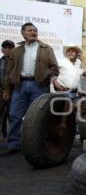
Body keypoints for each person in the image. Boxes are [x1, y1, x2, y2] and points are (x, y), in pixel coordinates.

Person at [0, 22, 59, 155]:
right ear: (23, 33)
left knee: (39, 117)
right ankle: (14, 145)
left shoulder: (46, 49)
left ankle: (37, 144)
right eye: (30, 30)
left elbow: (54, 68)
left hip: (39, 86)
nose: (33, 32)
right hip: (20, 86)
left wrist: (52, 79)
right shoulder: (16, 51)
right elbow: (9, 71)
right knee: (14, 115)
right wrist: (6, 89)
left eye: (35, 30)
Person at [0, 40, 15, 140]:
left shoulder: (17, 62)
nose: (8, 49)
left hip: (14, 91)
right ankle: (2, 134)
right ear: (2, 49)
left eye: (10, 47)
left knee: (12, 114)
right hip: (0, 91)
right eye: (5, 47)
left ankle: (11, 137)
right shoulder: (0, 61)